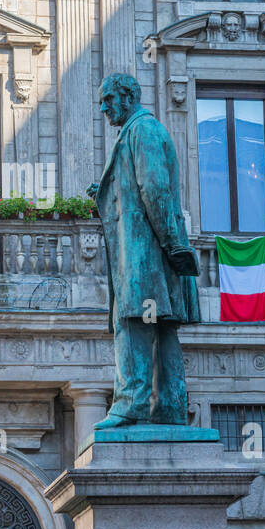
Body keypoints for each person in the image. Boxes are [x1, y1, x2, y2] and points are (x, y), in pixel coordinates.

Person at [87, 73, 200, 429]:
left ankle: (130, 404)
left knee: (134, 324)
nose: (103, 107)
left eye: (108, 99)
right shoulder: (136, 132)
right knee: (162, 330)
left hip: (146, 254)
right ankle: (170, 407)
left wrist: (174, 245)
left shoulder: (142, 130)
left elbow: (155, 190)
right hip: (154, 254)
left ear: (127, 96)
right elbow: (143, 188)